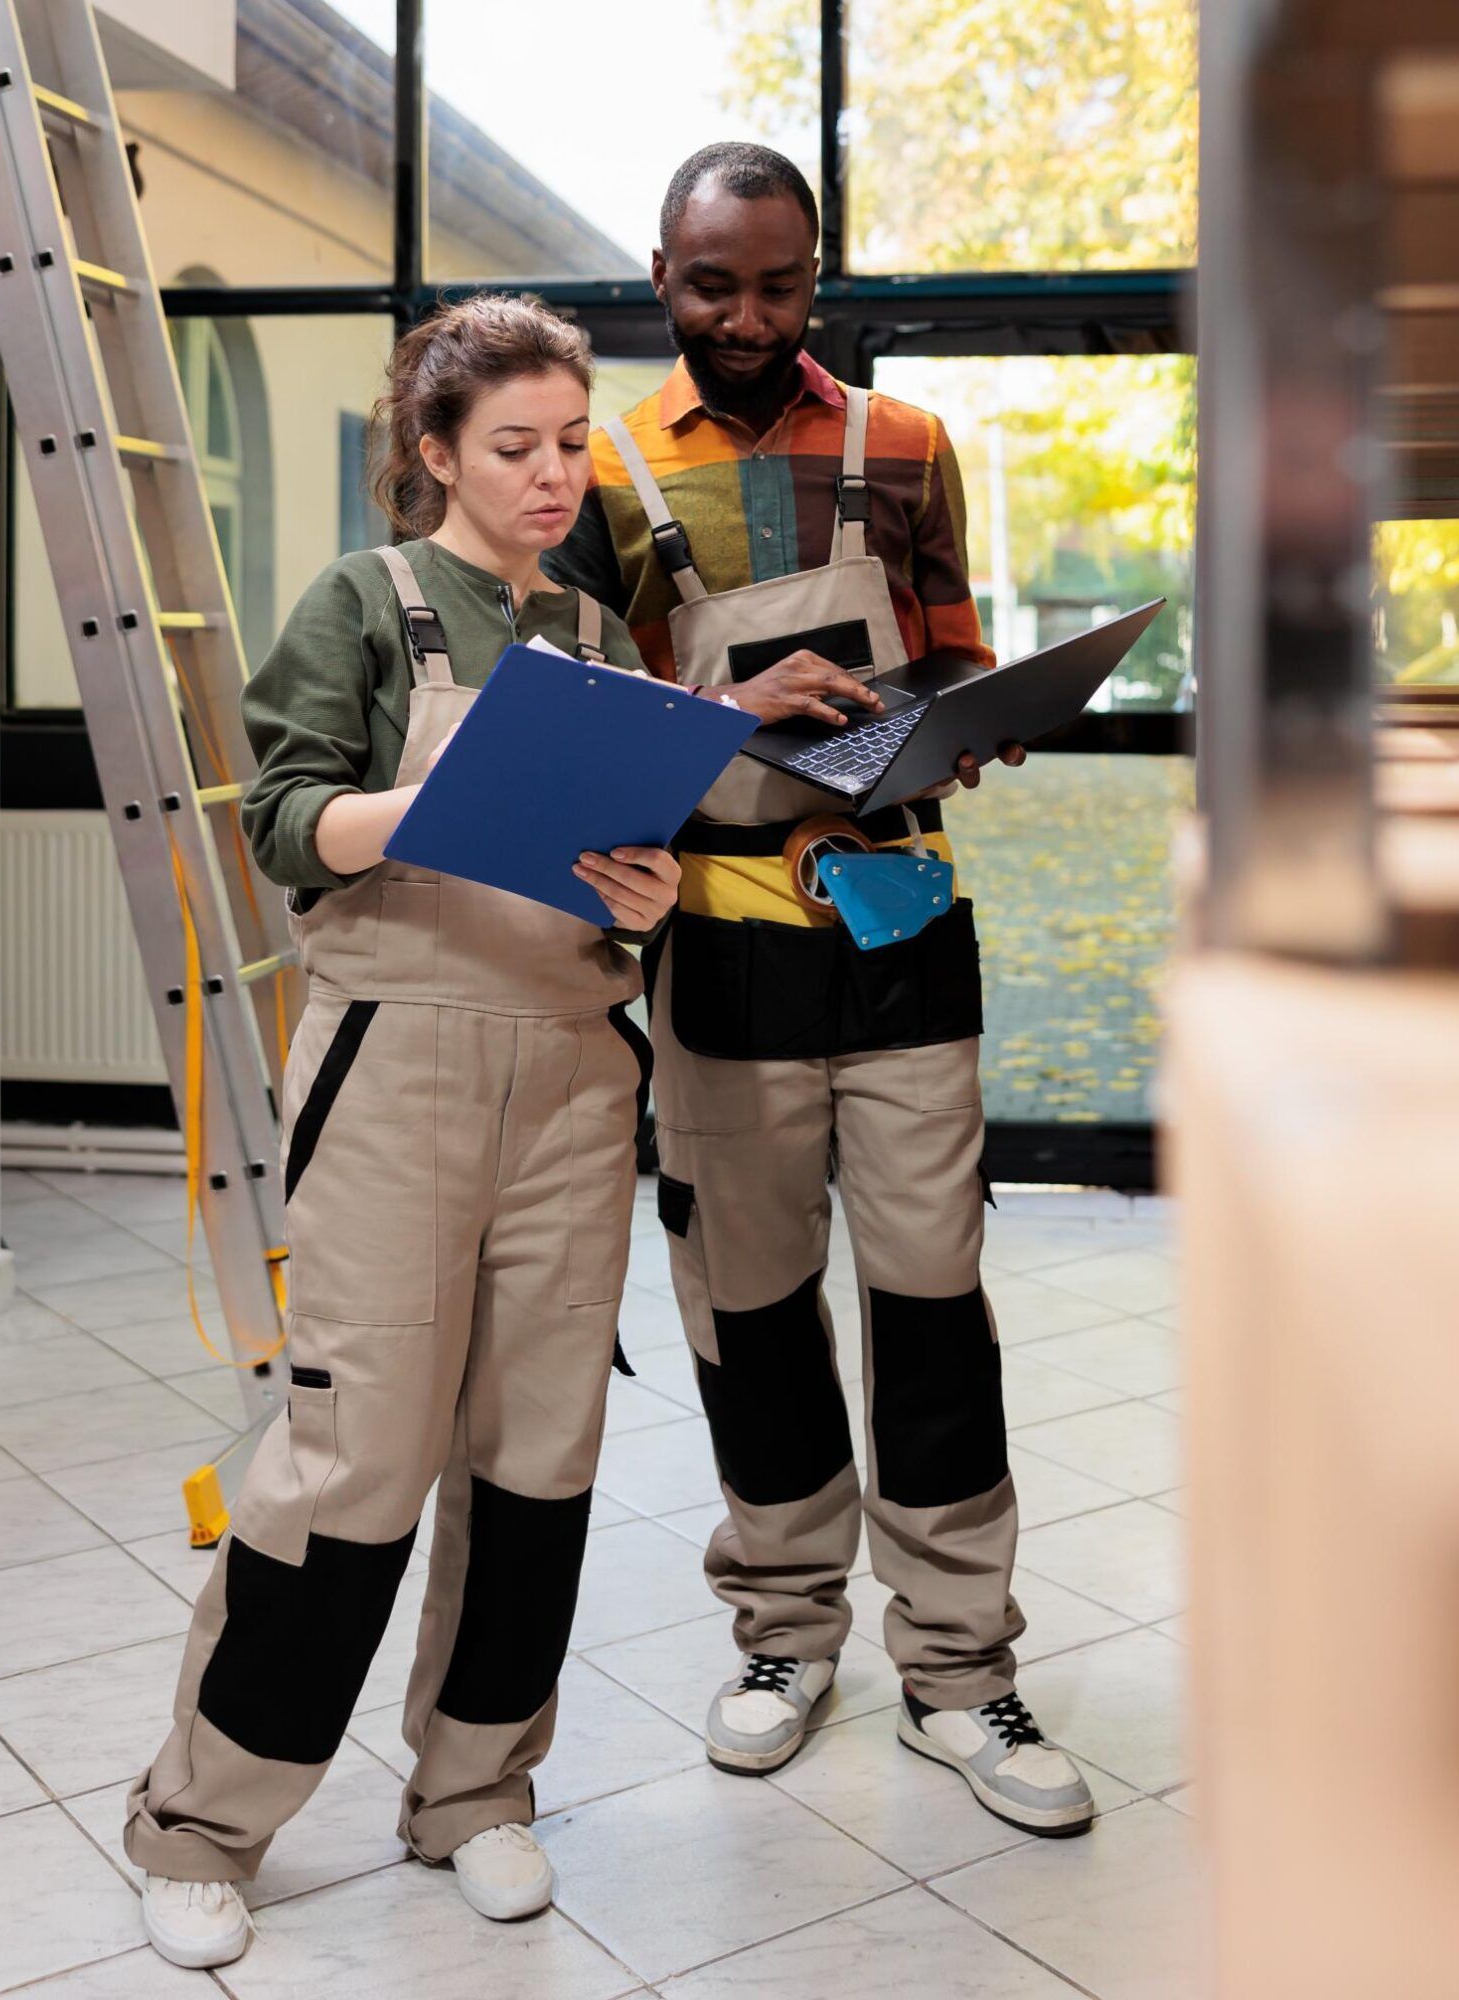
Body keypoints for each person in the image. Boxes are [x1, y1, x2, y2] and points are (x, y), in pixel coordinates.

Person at [543, 143, 1096, 1835]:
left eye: (779, 285)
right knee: (757, 1313)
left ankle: (960, 1667)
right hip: (719, 944)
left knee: (934, 1306)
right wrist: (728, 709)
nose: (748, 316)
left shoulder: (908, 447)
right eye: (714, 286)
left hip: (906, 922)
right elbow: (575, 732)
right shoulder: (608, 472)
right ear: (662, 276)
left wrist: (964, 716)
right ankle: (785, 1635)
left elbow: (948, 643)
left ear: (815, 275)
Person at [126, 296, 680, 1970]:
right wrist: (423, 809)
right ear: (433, 454)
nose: (550, 475)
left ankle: (477, 1796)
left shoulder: (597, 636)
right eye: (513, 446)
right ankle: (204, 1823)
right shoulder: (362, 605)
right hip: (399, 1066)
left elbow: (620, 873)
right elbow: (284, 822)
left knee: (538, 1451)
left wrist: (647, 899)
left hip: (576, 1070)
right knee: (351, 1458)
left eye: (572, 444)